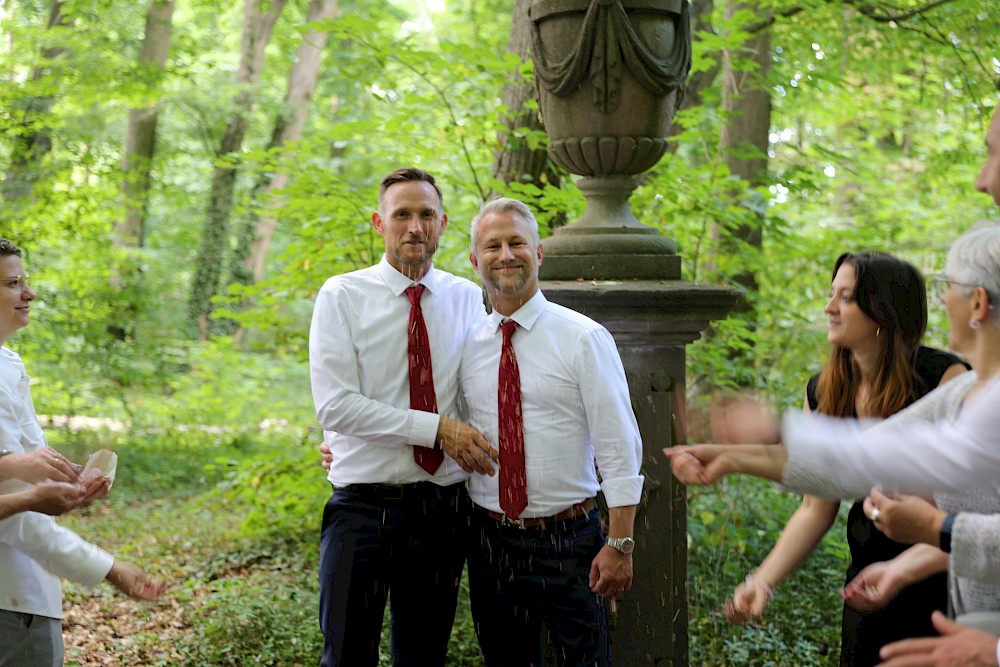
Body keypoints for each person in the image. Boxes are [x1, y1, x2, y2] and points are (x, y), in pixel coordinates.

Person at [722, 252, 966, 666]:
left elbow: (969, 506)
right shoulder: (822, 391)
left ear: (882, 312)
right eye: (831, 294)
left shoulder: (946, 379)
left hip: (942, 583)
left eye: (846, 297)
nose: (829, 307)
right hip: (866, 587)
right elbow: (816, 508)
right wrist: (762, 581)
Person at [309, 167, 498, 667]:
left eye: (426, 215)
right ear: (379, 222)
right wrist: (436, 429)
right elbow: (335, 405)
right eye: (402, 215)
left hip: (441, 512)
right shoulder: (342, 296)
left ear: (443, 223)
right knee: (347, 653)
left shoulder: (466, 298)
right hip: (361, 507)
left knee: (423, 655)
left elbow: (483, 394)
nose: (415, 226)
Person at [460, 197, 643, 666]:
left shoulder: (583, 338)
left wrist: (620, 542)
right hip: (491, 541)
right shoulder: (467, 346)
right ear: (474, 259)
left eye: (517, 242)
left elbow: (619, 444)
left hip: (570, 542)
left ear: (539, 252)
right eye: (492, 245)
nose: (505, 255)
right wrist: (343, 446)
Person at [0, 237, 165, 667]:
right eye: (14, 283)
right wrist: (107, 568)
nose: (30, 293)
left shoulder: (8, 362)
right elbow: (17, 519)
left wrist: (61, 485)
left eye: (26, 280)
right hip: (12, 598)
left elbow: (19, 481)